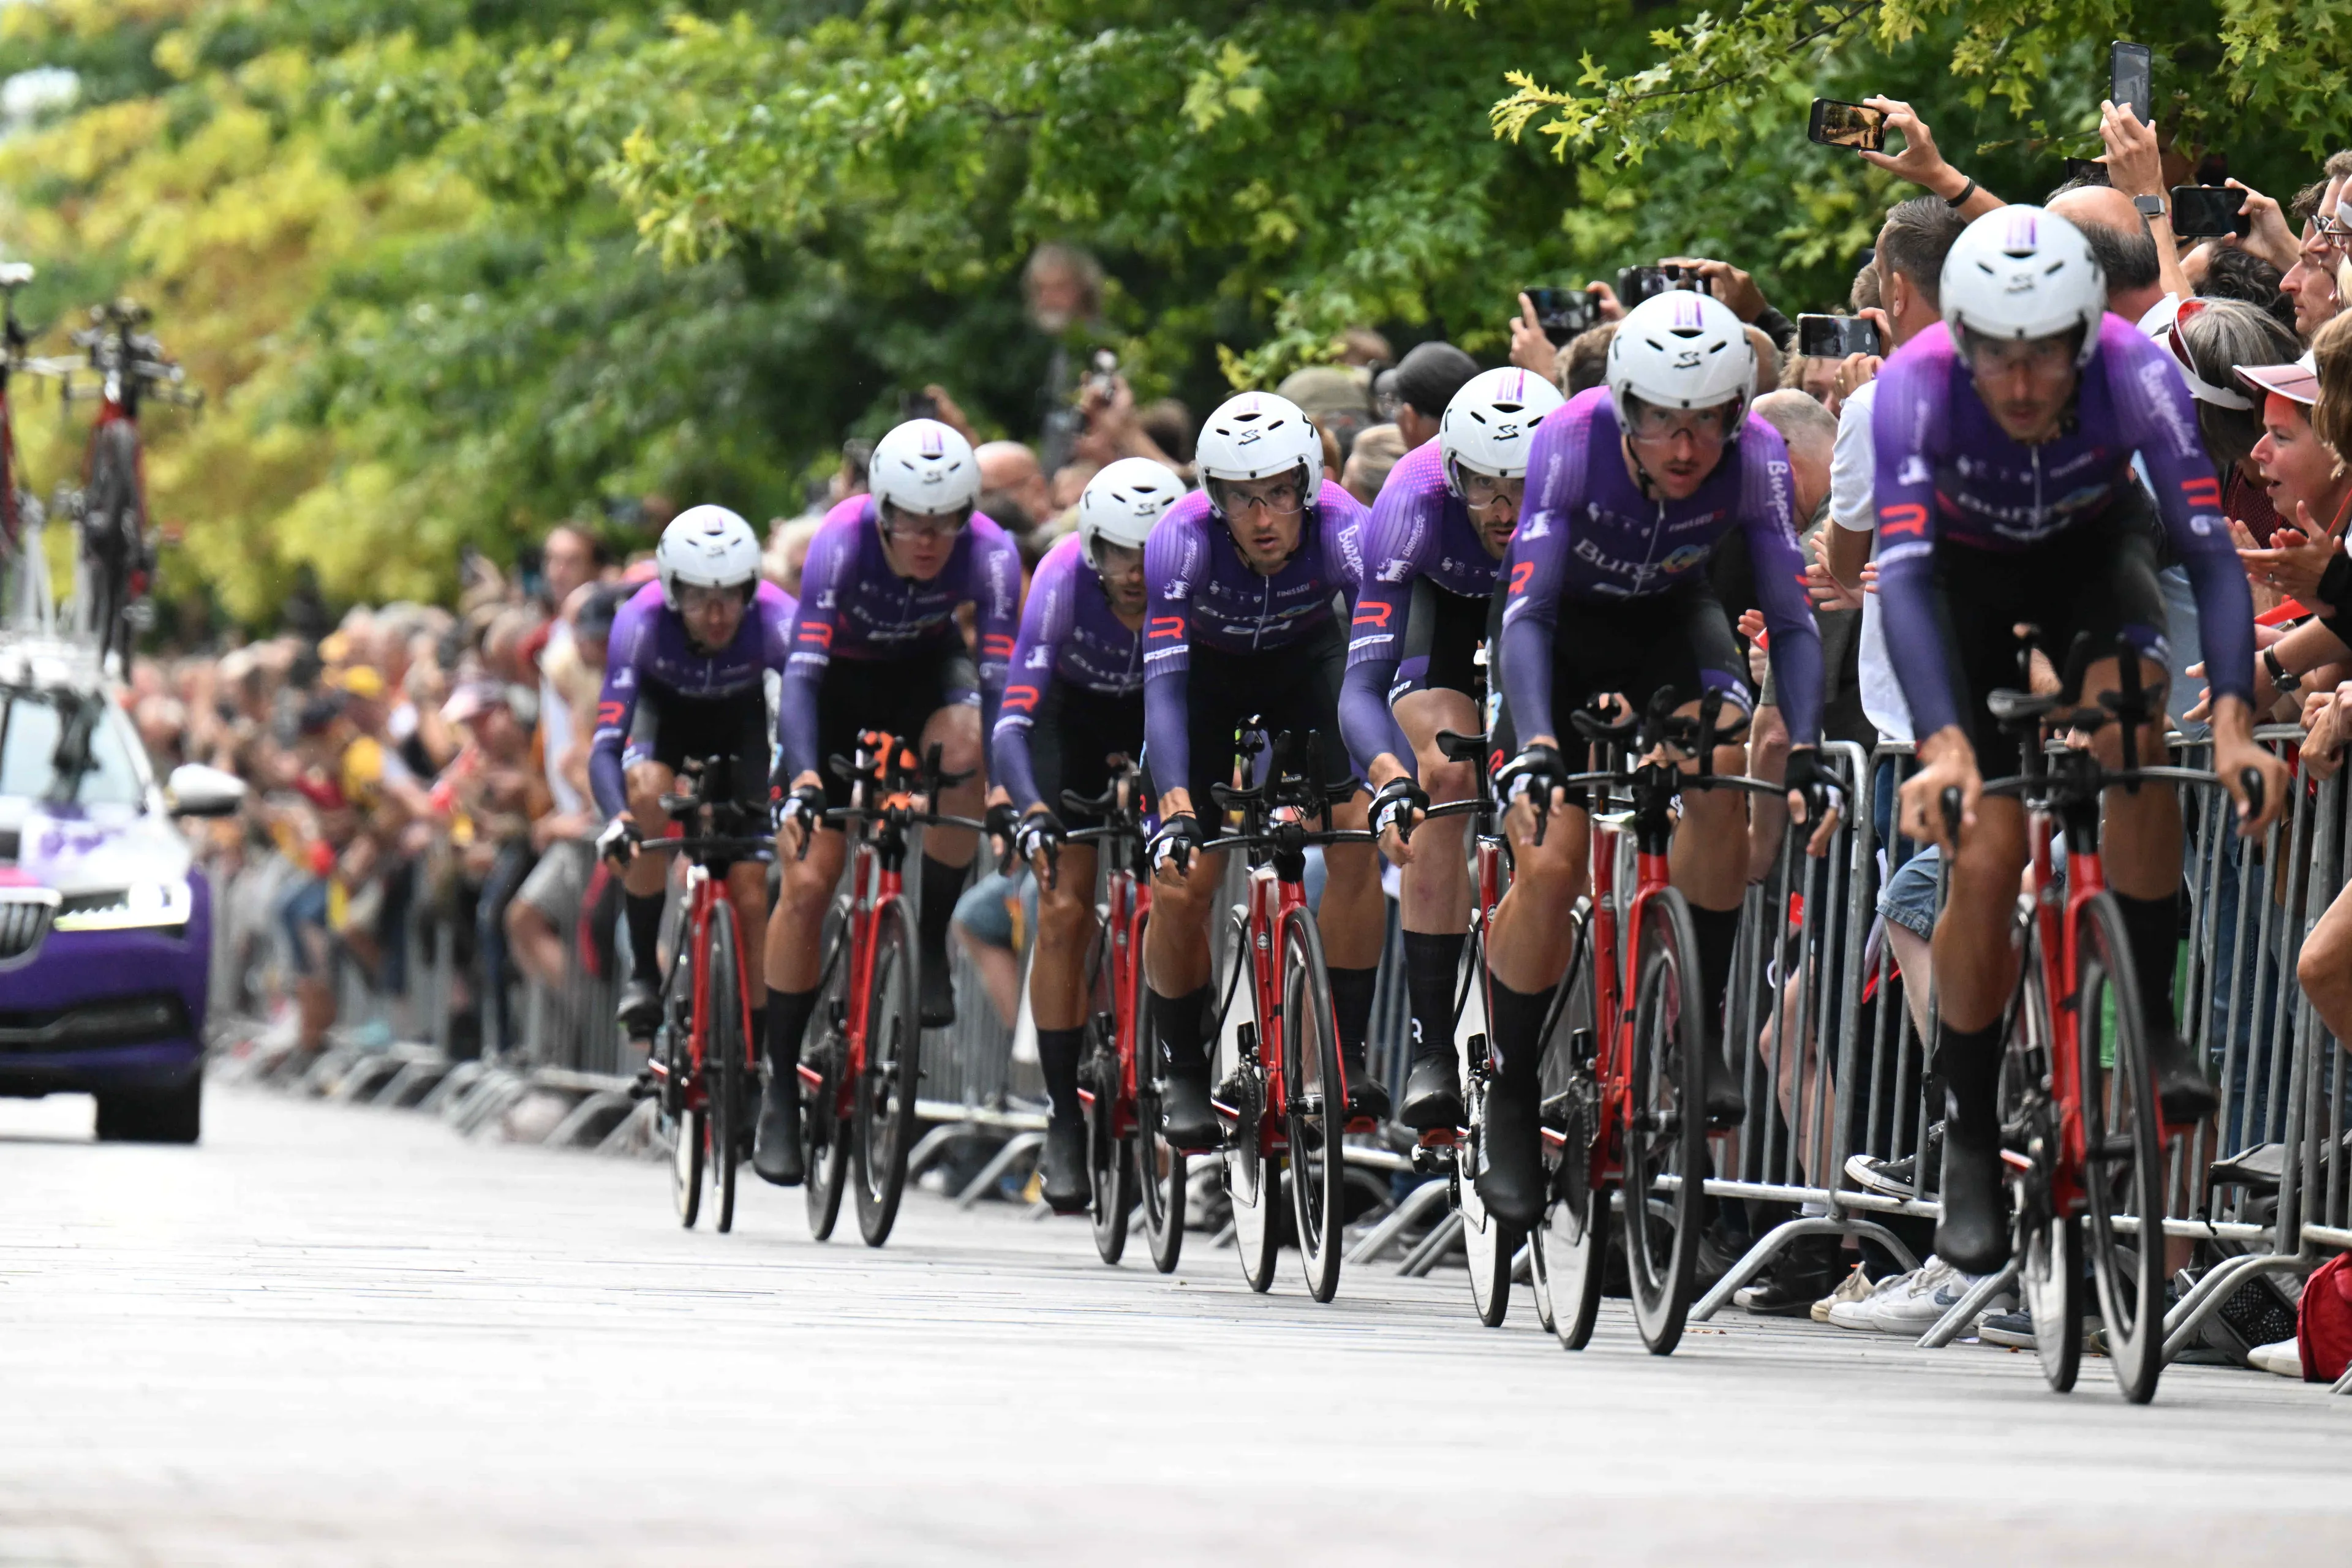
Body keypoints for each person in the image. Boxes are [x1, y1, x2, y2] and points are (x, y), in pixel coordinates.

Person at [1872, 206, 2287, 1274]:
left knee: (2135, 732)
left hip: (2092, 557)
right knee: (1984, 850)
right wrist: (1944, 745)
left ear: (2084, 338)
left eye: (2046, 358)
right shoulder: (1916, 385)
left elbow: (2207, 549)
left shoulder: (2133, 372)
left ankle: (2153, 1019)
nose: (2022, 386)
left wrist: (2231, 718)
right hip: (1963, 578)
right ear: (1962, 339)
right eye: (1999, 359)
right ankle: (1970, 1130)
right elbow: (1905, 581)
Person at [1476, 290, 1836, 1226]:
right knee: (1551, 861)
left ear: (1737, 414)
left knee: (1720, 762)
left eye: (1707, 423)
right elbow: (1528, 614)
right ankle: (1511, 1092)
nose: (1684, 448)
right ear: (1625, 407)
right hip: (1559, 632)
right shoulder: (1571, 440)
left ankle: (1698, 1029)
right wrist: (1539, 745)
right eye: (1662, 423)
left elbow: (1793, 617)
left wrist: (1801, 746)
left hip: (1672, 618)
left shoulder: (1756, 456)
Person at [766, 418, 1020, 1182]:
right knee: (809, 882)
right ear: (881, 511)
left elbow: (1000, 682)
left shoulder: (993, 552)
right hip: (837, 685)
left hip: (925, 673)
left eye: (945, 523)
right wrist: (805, 777)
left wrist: (1004, 785)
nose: (928, 540)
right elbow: (802, 675)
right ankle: (777, 1087)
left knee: (965, 749)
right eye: (911, 522)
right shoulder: (840, 541)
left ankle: (931, 939)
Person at [1140, 391, 1383, 1148]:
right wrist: (1176, 806)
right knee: (1181, 879)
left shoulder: (1345, 527)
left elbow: (1376, 662)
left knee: (1357, 834)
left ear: (1307, 483)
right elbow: (1163, 686)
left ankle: (1346, 1052)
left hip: (1304, 663)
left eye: (1279, 492)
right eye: (1241, 497)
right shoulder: (1180, 540)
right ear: (1215, 498)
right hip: (1206, 681)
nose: (1264, 516)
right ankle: (1184, 1070)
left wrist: (1388, 772)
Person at [1336, 367, 1565, 1131]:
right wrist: (1391, 778)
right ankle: (1433, 1045)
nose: (1503, 508)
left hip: (1540, 597)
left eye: (1521, 486)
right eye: (1483, 487)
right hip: (1442, 607)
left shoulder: (1582, 486)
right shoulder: (1413, 499)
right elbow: (1361, 685)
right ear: (1453, 472)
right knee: (1446, 771)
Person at [990, 456, 1182, 1210]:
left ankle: (1179, 1053)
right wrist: (1032, 809)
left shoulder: (1193, 578)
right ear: (1093, 548)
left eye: (1149, 554)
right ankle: (1063, 1114)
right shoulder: (1063, 579)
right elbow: (1015, 718)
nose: (1135, 574)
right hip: (1070, 725)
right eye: (1119, 555)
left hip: (1160, 718)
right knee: (1063, 906)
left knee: (1182, 881)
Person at [589, 508, 794, 1070]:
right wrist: (619, 820)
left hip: (742, 723)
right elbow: (606, 744)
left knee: (750, 891)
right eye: (700, 597)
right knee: (646, 791)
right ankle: (644, 973)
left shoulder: (778, 616)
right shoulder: (640, 621)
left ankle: (757, 1058)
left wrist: (796, 783)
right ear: (673, 590)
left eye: (731, 595)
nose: (718, 613)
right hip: (666, 720)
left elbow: (804, 714)